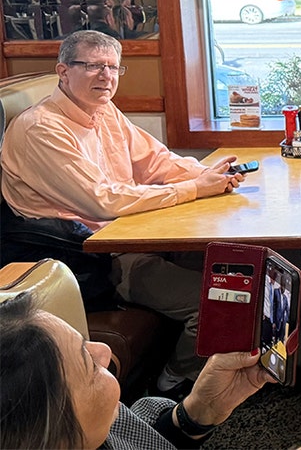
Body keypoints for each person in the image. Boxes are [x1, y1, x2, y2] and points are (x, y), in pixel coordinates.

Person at [0, 30, 246, 393]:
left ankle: (297, 362)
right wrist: (195, 188)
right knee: (219, 300)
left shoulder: (103, 110)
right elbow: (103, 200)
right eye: (93, 66)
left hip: (134, 237)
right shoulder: (42, 128)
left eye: (113, 67)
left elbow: (155, 161)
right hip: (95, 259)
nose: (106, 76)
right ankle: (174, 385)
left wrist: (209, 175)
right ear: (63, 71)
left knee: (242, 268)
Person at [0, 292, 301, 450]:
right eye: (87, 364)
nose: (104, 352)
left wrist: (194, 413)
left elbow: (142, 440)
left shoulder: (100, 424)